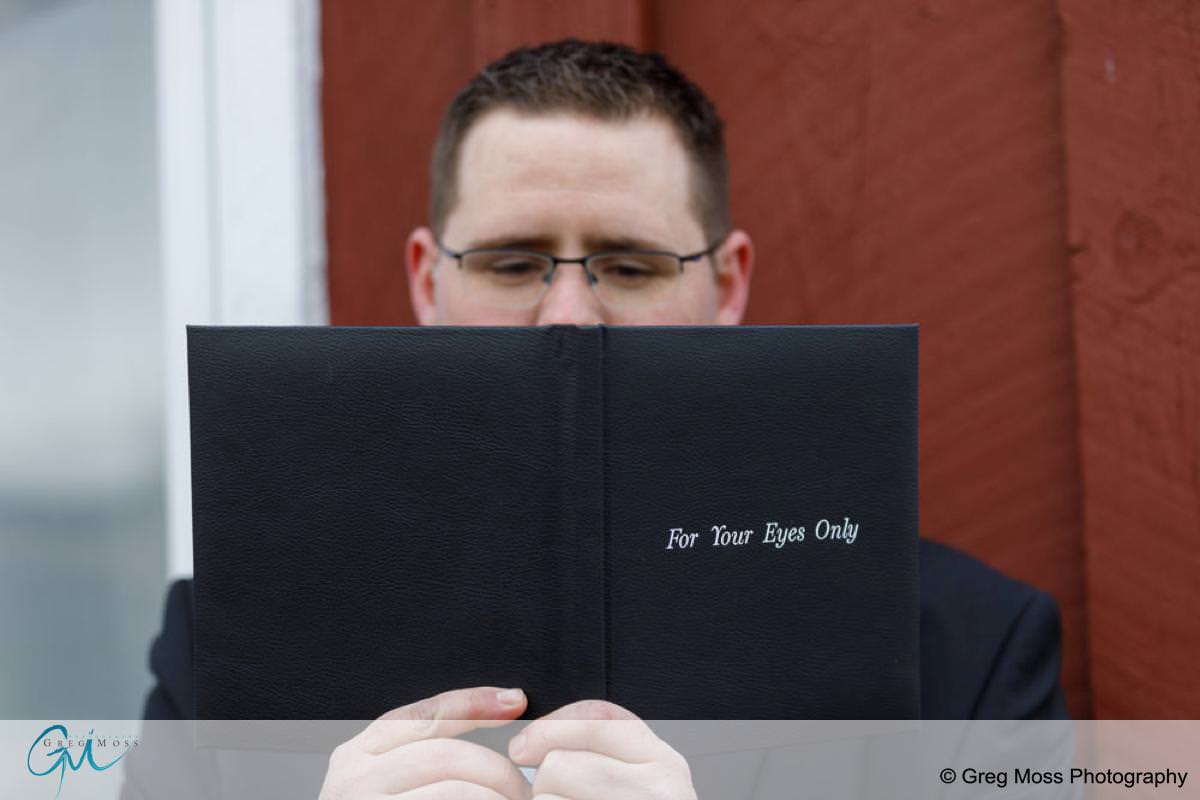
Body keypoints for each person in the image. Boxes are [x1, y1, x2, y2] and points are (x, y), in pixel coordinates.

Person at [140, 39, 1068, 799]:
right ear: (429, 281)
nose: (570, 318)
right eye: (512, 264)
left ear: (727, 282)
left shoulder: (973, 650)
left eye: (629, 265)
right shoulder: (226, 646)